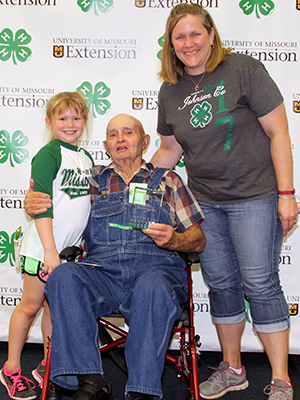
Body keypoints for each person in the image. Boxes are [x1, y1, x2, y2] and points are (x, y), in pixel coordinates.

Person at [150, 3, 298, 400]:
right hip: (205, 203)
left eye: (195, 33)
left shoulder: (243, 69)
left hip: (255, 196)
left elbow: (280, 133)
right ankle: (233, 368)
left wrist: (287, 195)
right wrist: (137, 180)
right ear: (171, 44)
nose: (188, 43)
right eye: (179, 37)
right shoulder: (171, 90)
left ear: (212, 34)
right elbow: (170, 149)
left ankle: (281, 378)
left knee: (261, 283)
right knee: (220, 283)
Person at [23, 113, 206, 400]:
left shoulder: (168, 180)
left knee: (153, 287)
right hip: (102, 273)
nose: (120, 139)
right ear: (107, 145)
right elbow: (54, 194)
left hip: (155, 270)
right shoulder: (92, 180)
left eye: (128, 133)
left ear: (145, 141)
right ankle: (90, 380)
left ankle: (142, 392)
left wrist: (175, 239)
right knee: (64, 276)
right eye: (113, 135)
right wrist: (34, 198)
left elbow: (198, 239)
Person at [0, 92, 94, 400]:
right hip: (43, 250)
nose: (70, 124)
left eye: (76, 118)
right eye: (62, 118)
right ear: (49, 122)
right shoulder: (48, 155)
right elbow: (41, 206)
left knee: (55, 309)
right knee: (30, 306)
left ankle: (48, 365)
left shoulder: (85, 158)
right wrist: (50, 251)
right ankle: (11, 368)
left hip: (68, 253)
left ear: (85, 121)